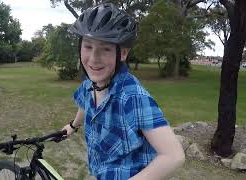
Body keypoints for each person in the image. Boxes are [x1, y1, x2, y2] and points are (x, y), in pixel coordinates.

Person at [62, 3, 185, 180]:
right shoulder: (89, 84)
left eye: (105, 49)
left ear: (123, 53)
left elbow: (174, 156)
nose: (94, 59)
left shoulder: (132, 97)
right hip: (99, 172)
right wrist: (73, 126)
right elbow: (84, 105)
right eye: (88, 47)